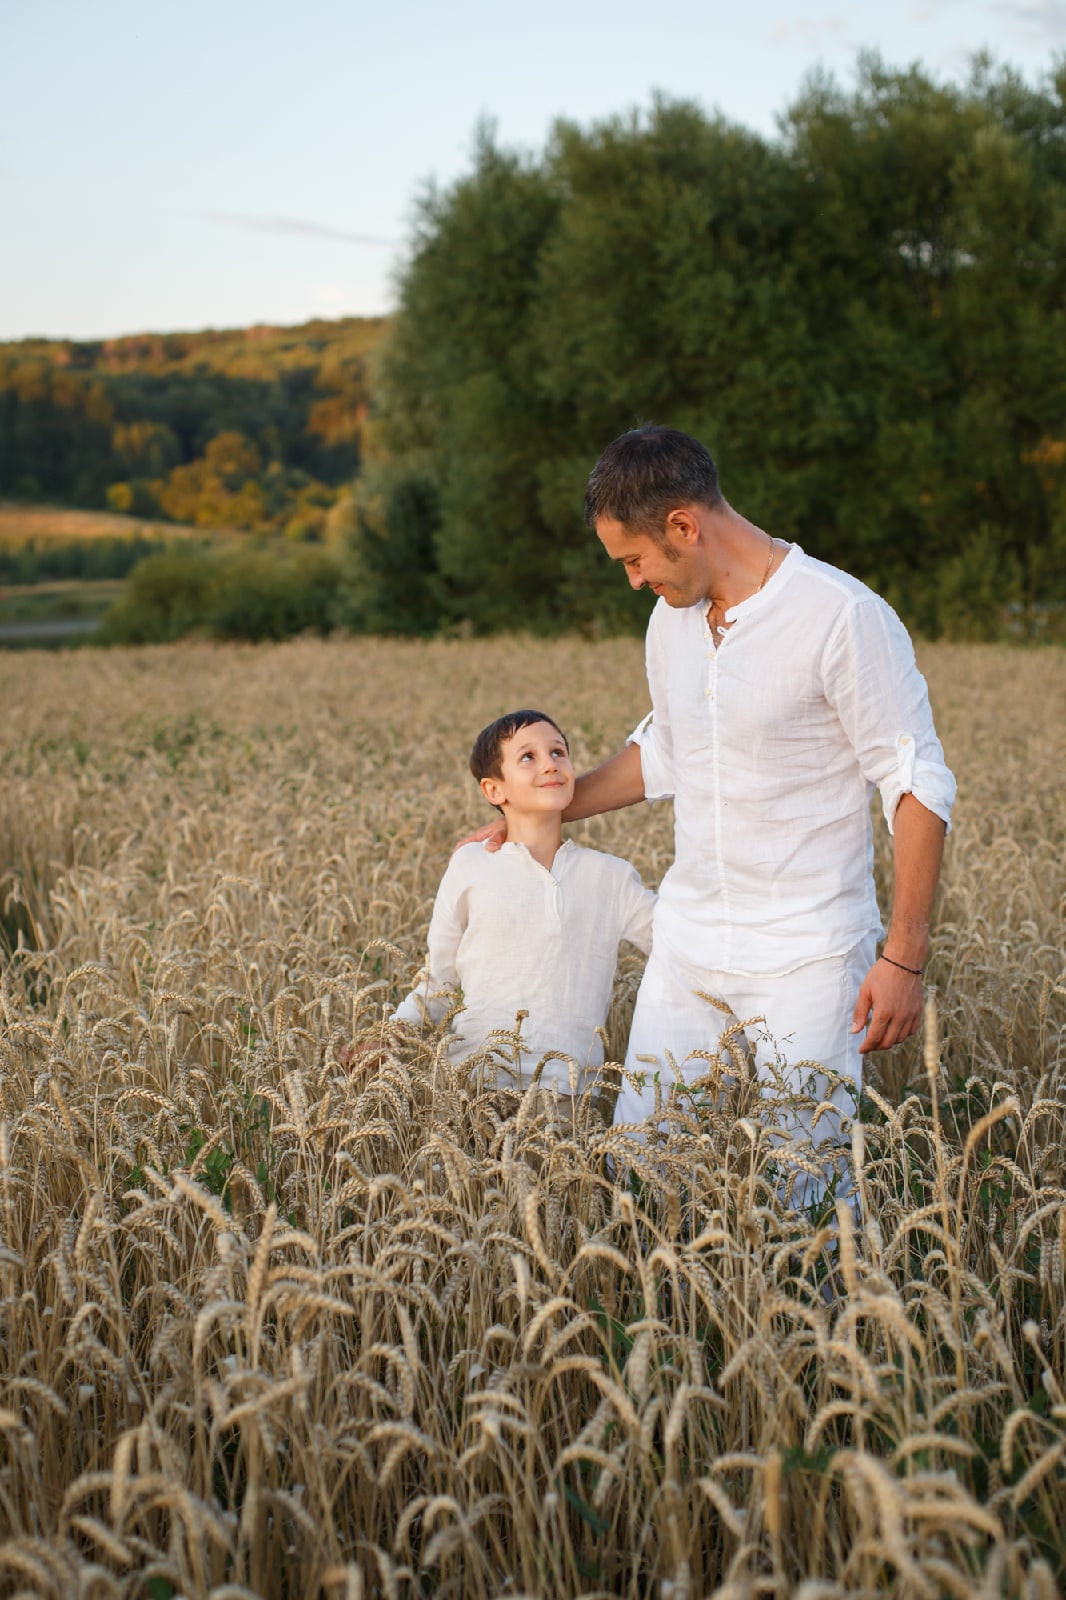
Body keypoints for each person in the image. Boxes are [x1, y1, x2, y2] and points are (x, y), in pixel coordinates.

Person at [483, 427, 956, 1204]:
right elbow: (667, 751)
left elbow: (915, 785)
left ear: (683, 525)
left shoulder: (841, 615)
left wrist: (904, 957)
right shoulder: (671, 620)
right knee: (638, 1173)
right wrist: (537, 814)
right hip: (688, 940)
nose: (633, 580)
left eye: (635, 559)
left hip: (808, 952)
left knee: (807, 1195)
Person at [391, 709, 657, 1113]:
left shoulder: (610, 876)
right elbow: (439, 982)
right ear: (494, 790)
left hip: (567, 1097)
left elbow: (676, 945)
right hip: (473, 1088)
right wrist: (388, 1038)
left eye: (558, 752)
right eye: (528, 757)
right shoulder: (471, 865)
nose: (550, 763)